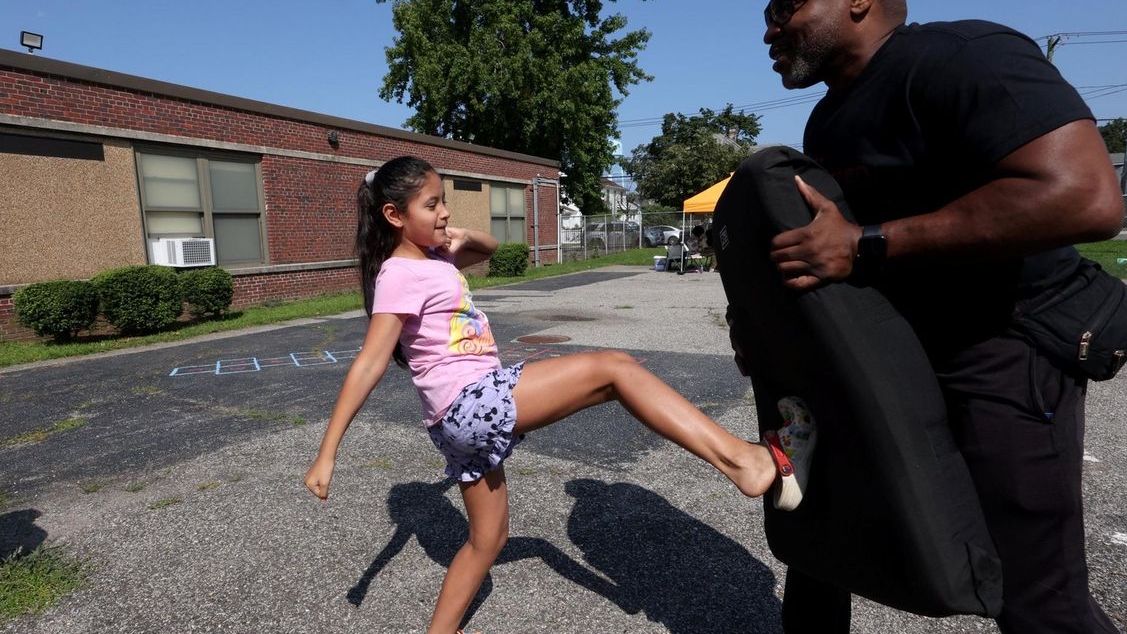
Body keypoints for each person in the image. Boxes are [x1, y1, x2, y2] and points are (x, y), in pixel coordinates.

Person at [759, 0, 1125, 634]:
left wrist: (865, 242)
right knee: (822, 541)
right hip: (894, 358)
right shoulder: (831, 116)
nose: (772, 28)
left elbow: (1085, 196)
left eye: (787, 6)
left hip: (1004, 351)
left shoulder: (964, 58)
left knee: (1035, 593)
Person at [302, 155, 814, 634]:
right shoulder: (399, 273)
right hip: (472, 400)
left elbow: (489, 249)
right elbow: (370, 360)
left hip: (455, 423)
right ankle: (745, 464)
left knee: (488, 541)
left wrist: (451, 235)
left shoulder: (433, 259)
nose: (444, 212)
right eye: (431, 205)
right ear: (393, 215)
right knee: (615, 368)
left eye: (444, 200)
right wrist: (328, 454)